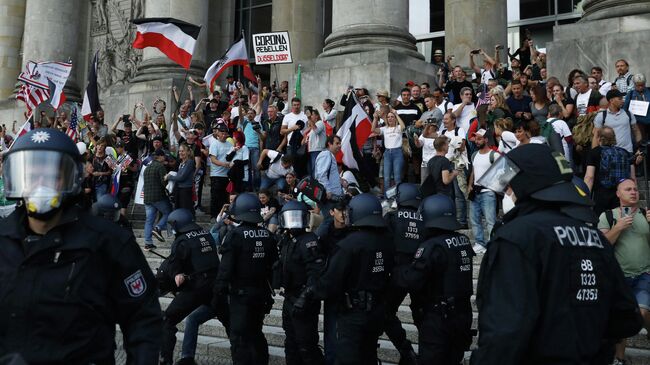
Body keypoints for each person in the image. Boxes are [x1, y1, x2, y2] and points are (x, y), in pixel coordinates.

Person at [471, 143, 643, 364]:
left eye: (511, 184)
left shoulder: (517, 237)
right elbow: (627, 319)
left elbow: (503, 333)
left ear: (527, 183)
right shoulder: (596, 239)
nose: (508, 190)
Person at [0, 128, 162, 363]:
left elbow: (143, 318)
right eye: (32, 175)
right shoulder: (3, 238)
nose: (40, 184)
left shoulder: (107, 242)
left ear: (70, 177)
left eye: (51, 175)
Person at [294, 193, 392, 365]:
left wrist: (309, 293)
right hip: (377, 309)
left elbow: (331, 281)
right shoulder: (386, 241)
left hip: (352, 312)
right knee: (368, 355)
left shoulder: (349, 245)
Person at [396, 194, 474, 364]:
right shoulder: (464, 241)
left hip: (439, 318)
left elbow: (412, 280)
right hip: (463, 315)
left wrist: (397, 270)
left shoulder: (432, 246)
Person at [213, 193, 278, 365]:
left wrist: (217, 294)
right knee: (256, 333)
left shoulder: (235, 235)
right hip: (261, 293)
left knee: (239, 337)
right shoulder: (267, 235)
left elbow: (225, 270)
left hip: (240, 295)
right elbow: (274, 266)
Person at [159, 209, 230, 365]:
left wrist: (177, 274)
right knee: (224, 323)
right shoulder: (206, 234)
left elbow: (174, 263)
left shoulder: (182, 240)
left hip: (196, 288)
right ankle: (187, 358)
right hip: (216, 288)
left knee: (167, 320)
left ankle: (166, 361)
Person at [598, 179, 650, 365]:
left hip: (644, 275)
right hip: (619, 277)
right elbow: (602, 246)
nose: (634, 192)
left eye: (636, 189)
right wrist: (618, 227)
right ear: (618, 194)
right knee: (622, 318)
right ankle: (620, 359)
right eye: (628, 189)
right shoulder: (608, 216)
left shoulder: (645, 214)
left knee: (641, 313)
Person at [275, 200, 326, 364]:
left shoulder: (309, 241)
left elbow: (316, 273)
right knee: (291, 343)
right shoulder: (287, 240)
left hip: (305, 299)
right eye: (291, 217)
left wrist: (304, 298)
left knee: (306, 345)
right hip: (289, 297)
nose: (293, 222)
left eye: (297, 217)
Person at [382, 183, 424, 364]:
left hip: (396, 272)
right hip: (421, 273)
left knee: (385, 313)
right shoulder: (426, 218)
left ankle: (406, 351)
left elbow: (382, 243)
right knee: (424, 317)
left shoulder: (391, 217)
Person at [585, 126, 635, 218]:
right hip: (622, 195)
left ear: (599, 138)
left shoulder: (594, 152)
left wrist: (585, 196)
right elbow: (632, 178)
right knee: (625, 221)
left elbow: (589, 177)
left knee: (601, 222)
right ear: (614, 138)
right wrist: (633, 192)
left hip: (601, 195)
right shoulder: (625, 152)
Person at [467, 129, 498, 254]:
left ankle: (492, 244)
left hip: (488, 192)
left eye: (479, 138)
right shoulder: (474, 154)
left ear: (486, 139)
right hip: (475, 191)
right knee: (474, 219)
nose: (476, 141)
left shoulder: (494, 155)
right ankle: (480, 243)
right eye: (476, 138)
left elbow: (502, 169)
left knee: (490, 220)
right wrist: (470, 185)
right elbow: (473, 171)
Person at [593, 89, 641, 154]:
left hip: (628, 152)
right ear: (611, 100)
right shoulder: (601, 116)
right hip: (609, 154)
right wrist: (594, 154)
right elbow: (596, 136)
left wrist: (639, 148)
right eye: (619, 99)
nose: (622, 101)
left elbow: (636, 131)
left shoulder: (628, 114)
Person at [143, 148, 172, 250]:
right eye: (164, 156)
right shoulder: (160, 167)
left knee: (149, 220)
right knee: (168, 212)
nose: (165, 158)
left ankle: (148, 243)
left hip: (147, 198)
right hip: (158, 197)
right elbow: (164, 183)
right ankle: (158, 228)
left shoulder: (147, 168)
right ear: (159, 157)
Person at [371, 111, 406, 192]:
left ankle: (397, 198)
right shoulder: (384, 128)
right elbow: (373, 129)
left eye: (392, 117)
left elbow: (403, 126)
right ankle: (387, 198)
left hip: (397, 153)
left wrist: (397, 114)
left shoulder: (398, 127)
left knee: (397, 177)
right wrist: (375, 118)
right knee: (386, 178)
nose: (390, 118)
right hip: (387, 153)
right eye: (388, 117)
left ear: (395, 118)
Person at [208, 124, 233, 219]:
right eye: (222, 133)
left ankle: (224, 215)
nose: (224, 135)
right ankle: (214, 216)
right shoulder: (214, 144)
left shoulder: (230, 144)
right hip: (216, 174)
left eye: (225, 133)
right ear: (218, 134)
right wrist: (224, 164)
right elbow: (213, 159)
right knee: (215, 196)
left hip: (227, 175)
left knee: (225, 196)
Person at [314, 135, 344, 213]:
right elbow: (321, 175)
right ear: (329, 144)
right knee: (328, 220)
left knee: (333, 221)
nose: (339, 146)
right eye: (337, 143)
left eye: (340, 143)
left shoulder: (330, 155)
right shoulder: (326, 154)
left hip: (333, 196)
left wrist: (340, 180)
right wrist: (328, 190)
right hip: (329, 196)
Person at [166, 143, 196, 211]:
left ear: (188, 152)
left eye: (182, 151)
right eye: (179, 151)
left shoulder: (190, 162)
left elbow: (181, 177)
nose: (180, 153)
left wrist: (169, 177)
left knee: (185, 210)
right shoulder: (181, 162)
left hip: (185, 190)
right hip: (179, 189)